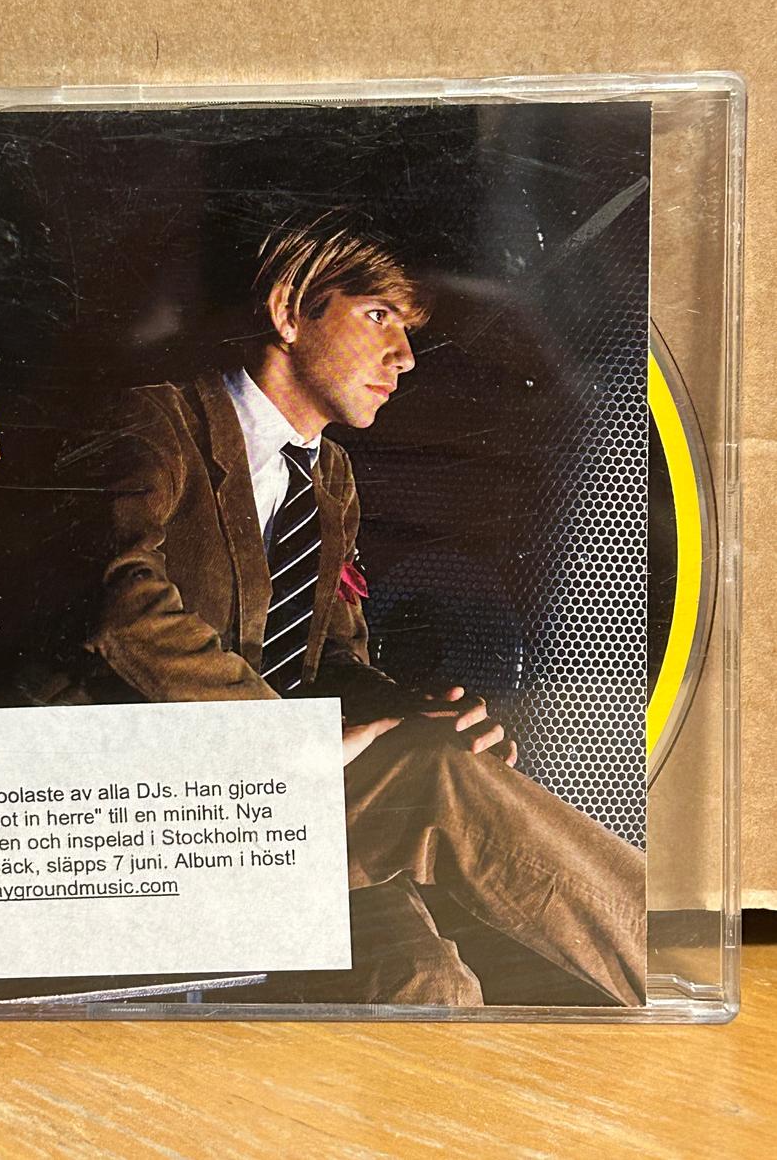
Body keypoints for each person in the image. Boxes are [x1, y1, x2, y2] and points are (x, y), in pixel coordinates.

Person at [55, 209, 645, 1006]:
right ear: (287, 309)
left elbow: (330, 660)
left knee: (425, 985)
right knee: (439, 783)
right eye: (378, 317)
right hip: (130, 818)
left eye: (406, 330)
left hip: (283, 813)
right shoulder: (153, 420)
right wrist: (293, 744)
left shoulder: (328, 477)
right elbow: (122, 608)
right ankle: (673, 968)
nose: (403, 356)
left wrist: (411, 714)